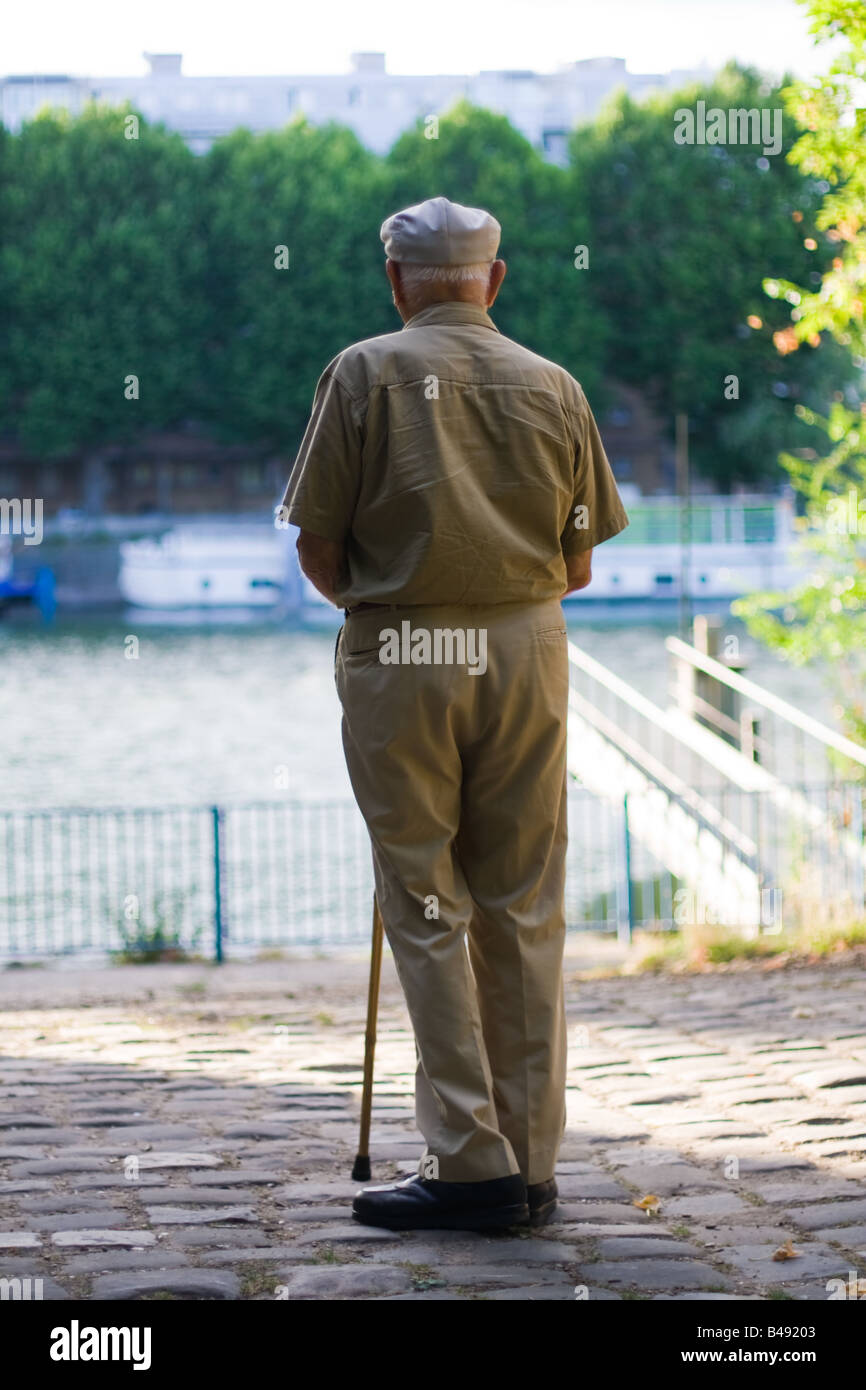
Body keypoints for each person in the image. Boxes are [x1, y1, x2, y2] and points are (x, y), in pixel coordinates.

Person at [280, 195, 629, 1231]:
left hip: (402, 646)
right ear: (495, 279)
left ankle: (468, 1162)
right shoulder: (552, 385)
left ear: (395, 283)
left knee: (425, 905)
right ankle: (529, 1162)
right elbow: (577, 562)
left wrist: (396, 610)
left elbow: (317, 547)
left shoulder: (361, 371)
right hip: (526, 645)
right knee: (523, 902)